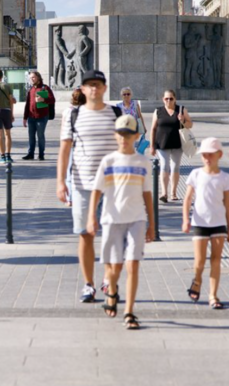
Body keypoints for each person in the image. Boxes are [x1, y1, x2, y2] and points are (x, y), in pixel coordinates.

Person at [57, 69, 121, 303]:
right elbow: (64, 149)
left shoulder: (115, 113)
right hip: (82, 184)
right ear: (82, 89)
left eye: (98, 84)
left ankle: (107, 279)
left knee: (112, 235)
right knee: (85, 234)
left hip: (112, 185)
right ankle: (88, 284)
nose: (94, 88)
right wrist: (60, 182)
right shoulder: (73, 115)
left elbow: (124, 146)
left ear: (104, 88)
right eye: (89, 85)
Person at [86, 115, 154, 330]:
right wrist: (91, 218)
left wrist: (152, 223)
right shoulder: (109, 161)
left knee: (132, 264)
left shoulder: (143, 162)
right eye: (120, 134)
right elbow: (97, 191)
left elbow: (147, 195)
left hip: (136, 219)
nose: (124, 139)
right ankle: (112, 290)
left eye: (128, 135)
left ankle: (129, 312)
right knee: (114, 267)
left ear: (136, 136)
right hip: (111, 219)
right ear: (115, 136)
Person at [182, 137, 229, 310]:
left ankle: (213, 295)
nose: (207, 158)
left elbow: (227, 205)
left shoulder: (224, 178)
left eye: (210, 155)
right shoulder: (196, 174)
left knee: (216, 260)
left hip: (218, 223)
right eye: (204, 155)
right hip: (200, 222)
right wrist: (185, 220)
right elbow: (188, 199)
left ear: (219, 155)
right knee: (199, 262)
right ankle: (197, 280)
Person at [149, 90, 193, 202]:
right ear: (163, 99)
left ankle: (173, 192)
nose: (168, 100)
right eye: (166, 98)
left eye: (171, 98)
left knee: (175, 167)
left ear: (175, 99)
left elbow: (190, 124)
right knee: (164, 166)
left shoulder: (181, 110)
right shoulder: (158, 111)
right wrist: (152, 145)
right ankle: (164, 193)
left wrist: (182, 120)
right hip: (162, 143)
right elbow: (153, 129)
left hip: (177, 143)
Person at [23, 71, 55, 160]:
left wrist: (43, 99)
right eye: (30, 78)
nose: (31, 79)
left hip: (42, 116)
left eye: (33, 77)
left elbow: (52, 100)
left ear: (38, 77)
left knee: (40, 135)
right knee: (31, 136)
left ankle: (41, 154)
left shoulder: (45, 88)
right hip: (31, 117)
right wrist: (25, 117)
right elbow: (27, 104)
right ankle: (30, 154)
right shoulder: (31, 90)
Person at [63, 88, 86, 207]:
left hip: (71, 144)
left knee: (70, 171)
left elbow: (63, 130)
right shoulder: (88, 110)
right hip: (84, 145)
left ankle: (70, 198)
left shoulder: (68, 111)